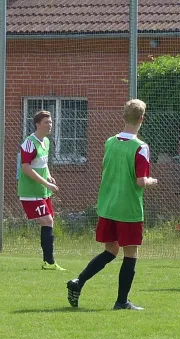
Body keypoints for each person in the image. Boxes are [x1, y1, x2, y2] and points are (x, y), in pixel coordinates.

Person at [66, 99, 158, 310]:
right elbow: (141, 181)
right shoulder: (140, 147)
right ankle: (121, 301)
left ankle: (78, 282)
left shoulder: (110, 142)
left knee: (110, 251)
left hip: (108, 205)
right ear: (142, 119)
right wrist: (152, 180)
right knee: (130, 254)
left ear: (123, 117)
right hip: (128, 208)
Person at [18, 110, 64, 271]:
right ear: (37, 124)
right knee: (47, 221)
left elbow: (42, 164)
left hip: (42, 190)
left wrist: (49, 176)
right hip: (31, 191)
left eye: (51, 122)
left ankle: (48, 261)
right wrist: (47, 184)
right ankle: (49, 262)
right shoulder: (29, 142)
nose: (50, 125)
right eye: (46, 122)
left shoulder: (46, 141)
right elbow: (25, 168)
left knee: (49, 220)